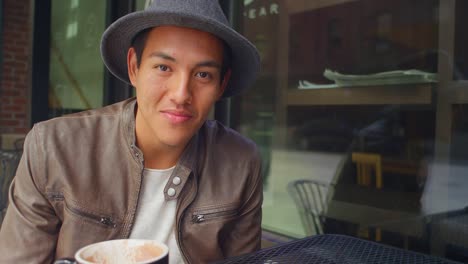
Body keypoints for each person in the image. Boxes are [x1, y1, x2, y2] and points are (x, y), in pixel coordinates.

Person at [0, 0, 262, 263]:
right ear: (134, 67)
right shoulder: (53, 147)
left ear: (221, 84)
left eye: (203, 74)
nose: (181, 94)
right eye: (163, 68)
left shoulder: (239, 163)